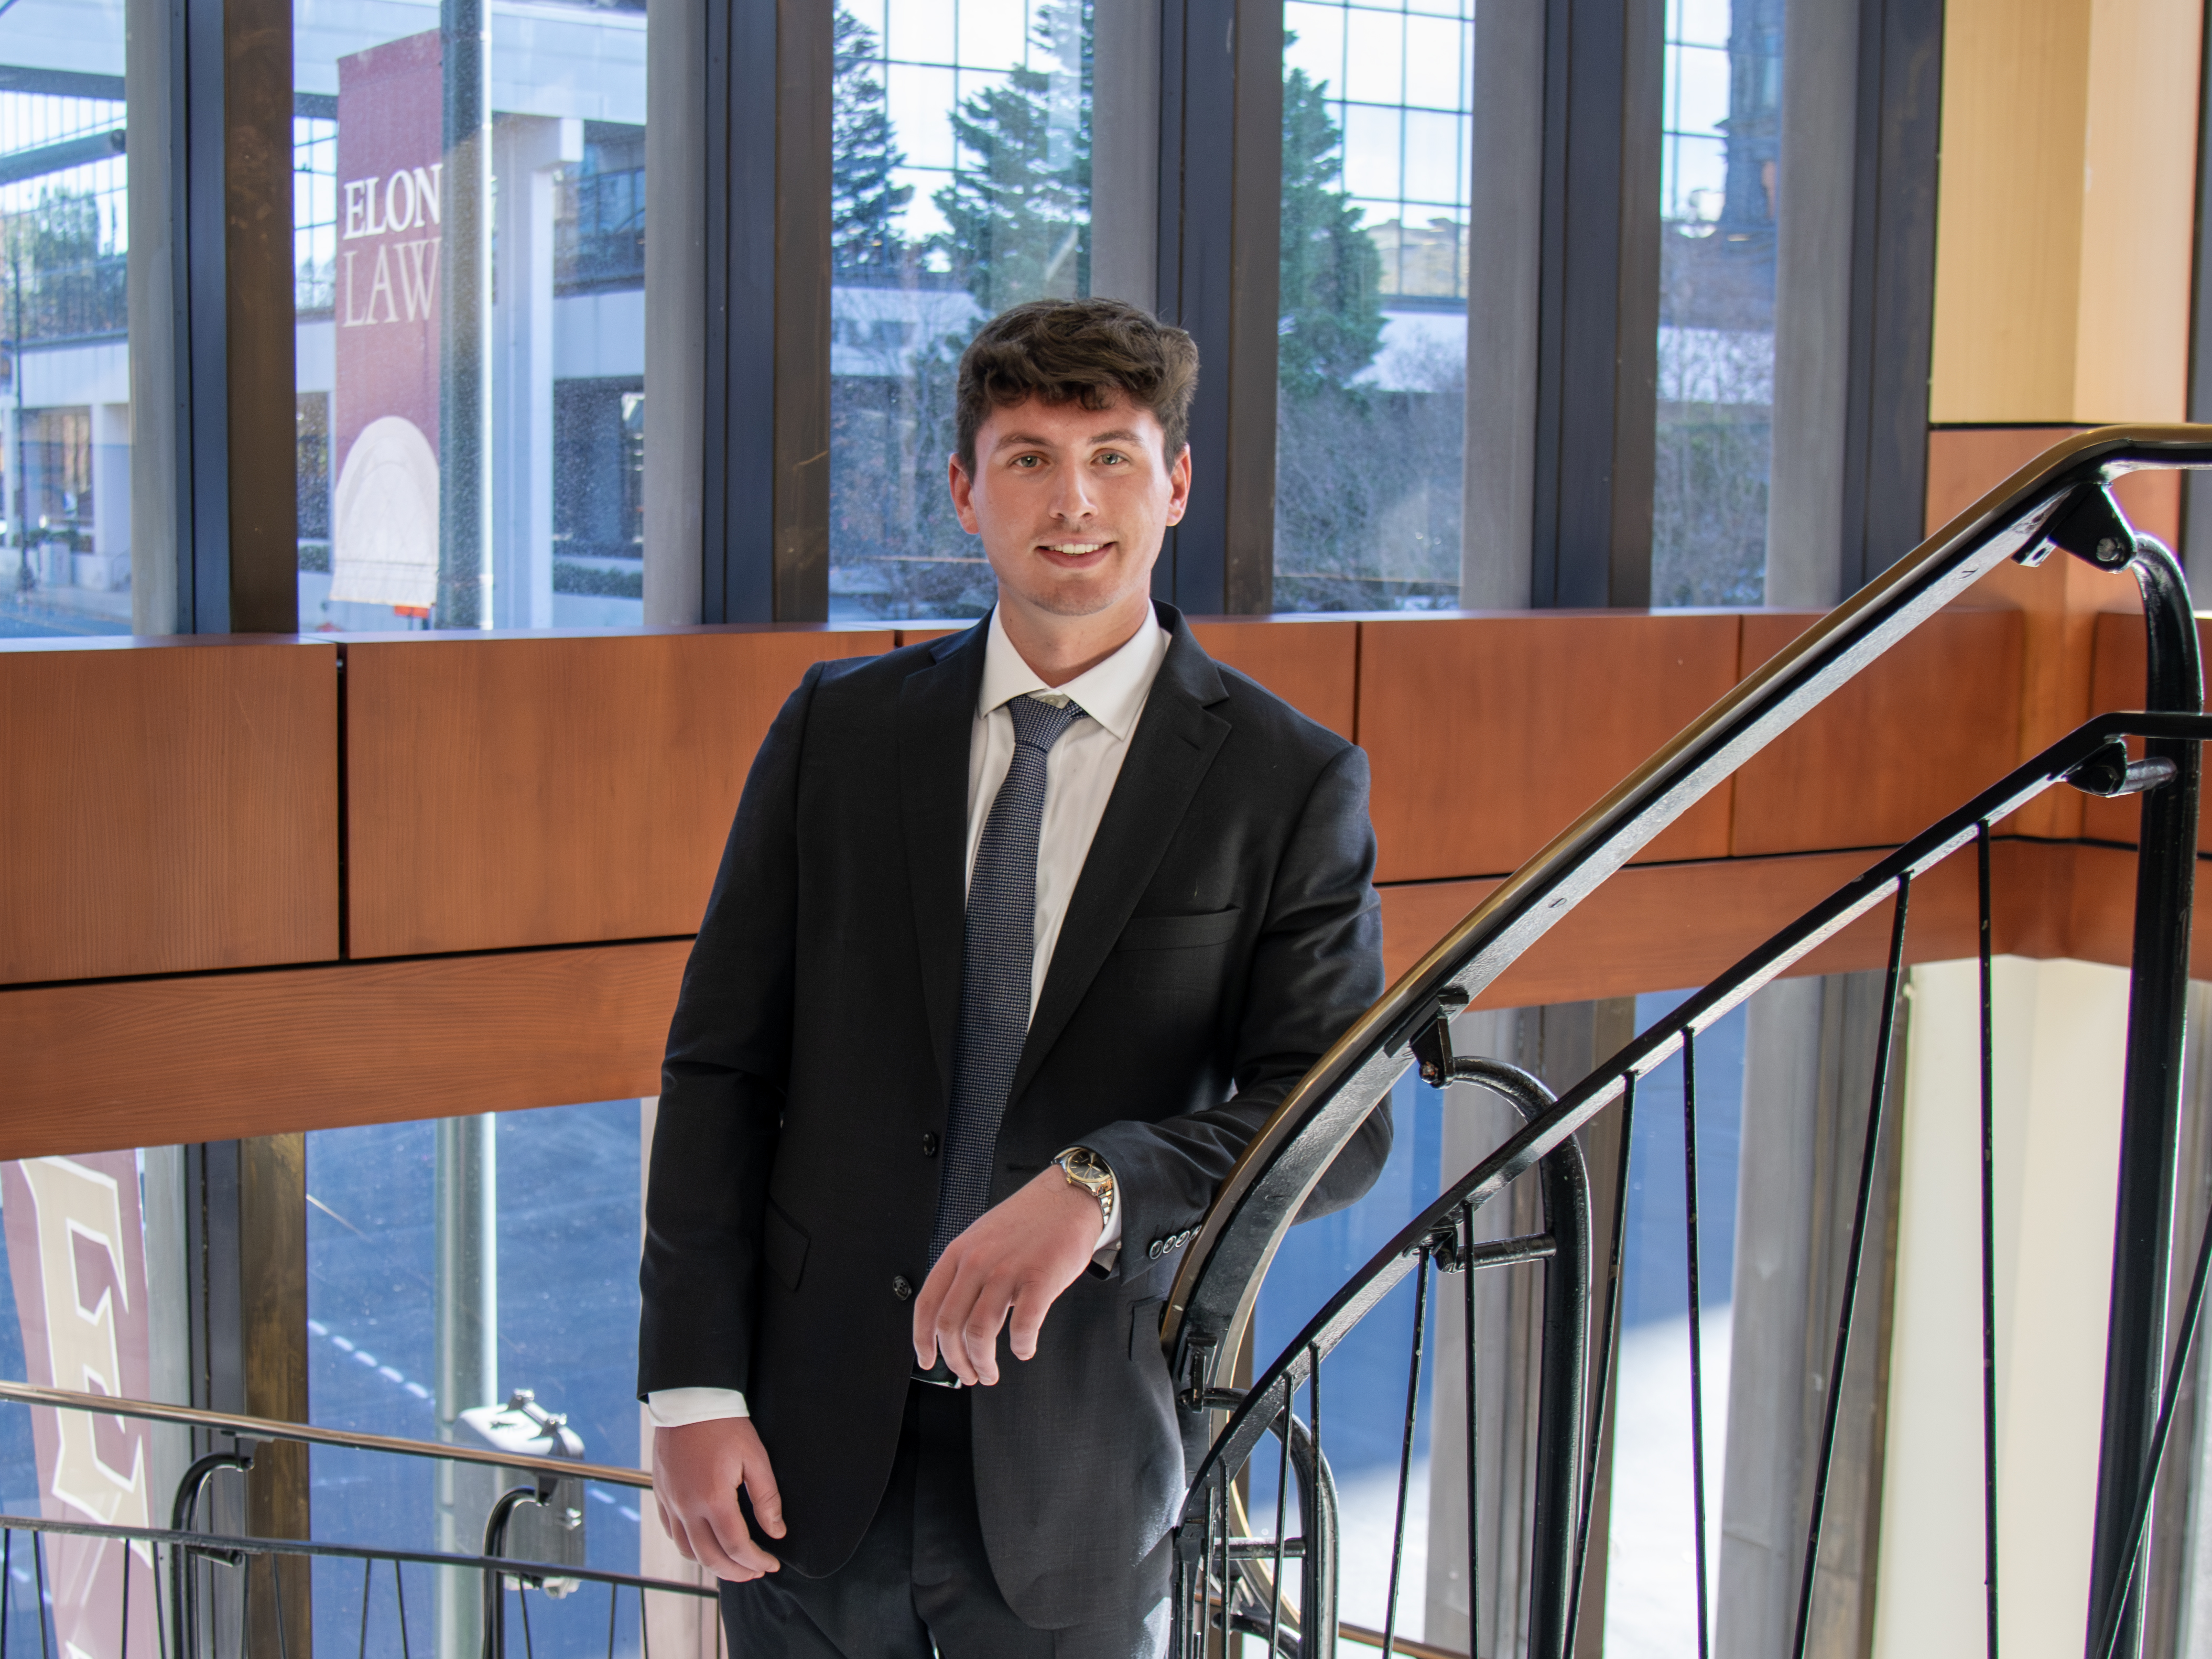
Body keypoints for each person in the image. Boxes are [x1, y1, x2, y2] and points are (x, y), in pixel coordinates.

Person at [638, 297, 1391, 1656]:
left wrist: (1102, 1186)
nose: (1073, 500)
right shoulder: (836, 734)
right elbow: (719, 1072)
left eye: (1111, 454)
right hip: (808, 1448)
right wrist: (690, 1389)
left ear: (1174, 484)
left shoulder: (1287, 784)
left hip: (1081, 1474)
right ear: (962, 491)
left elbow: (1335, 1124)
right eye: (1029, 456)